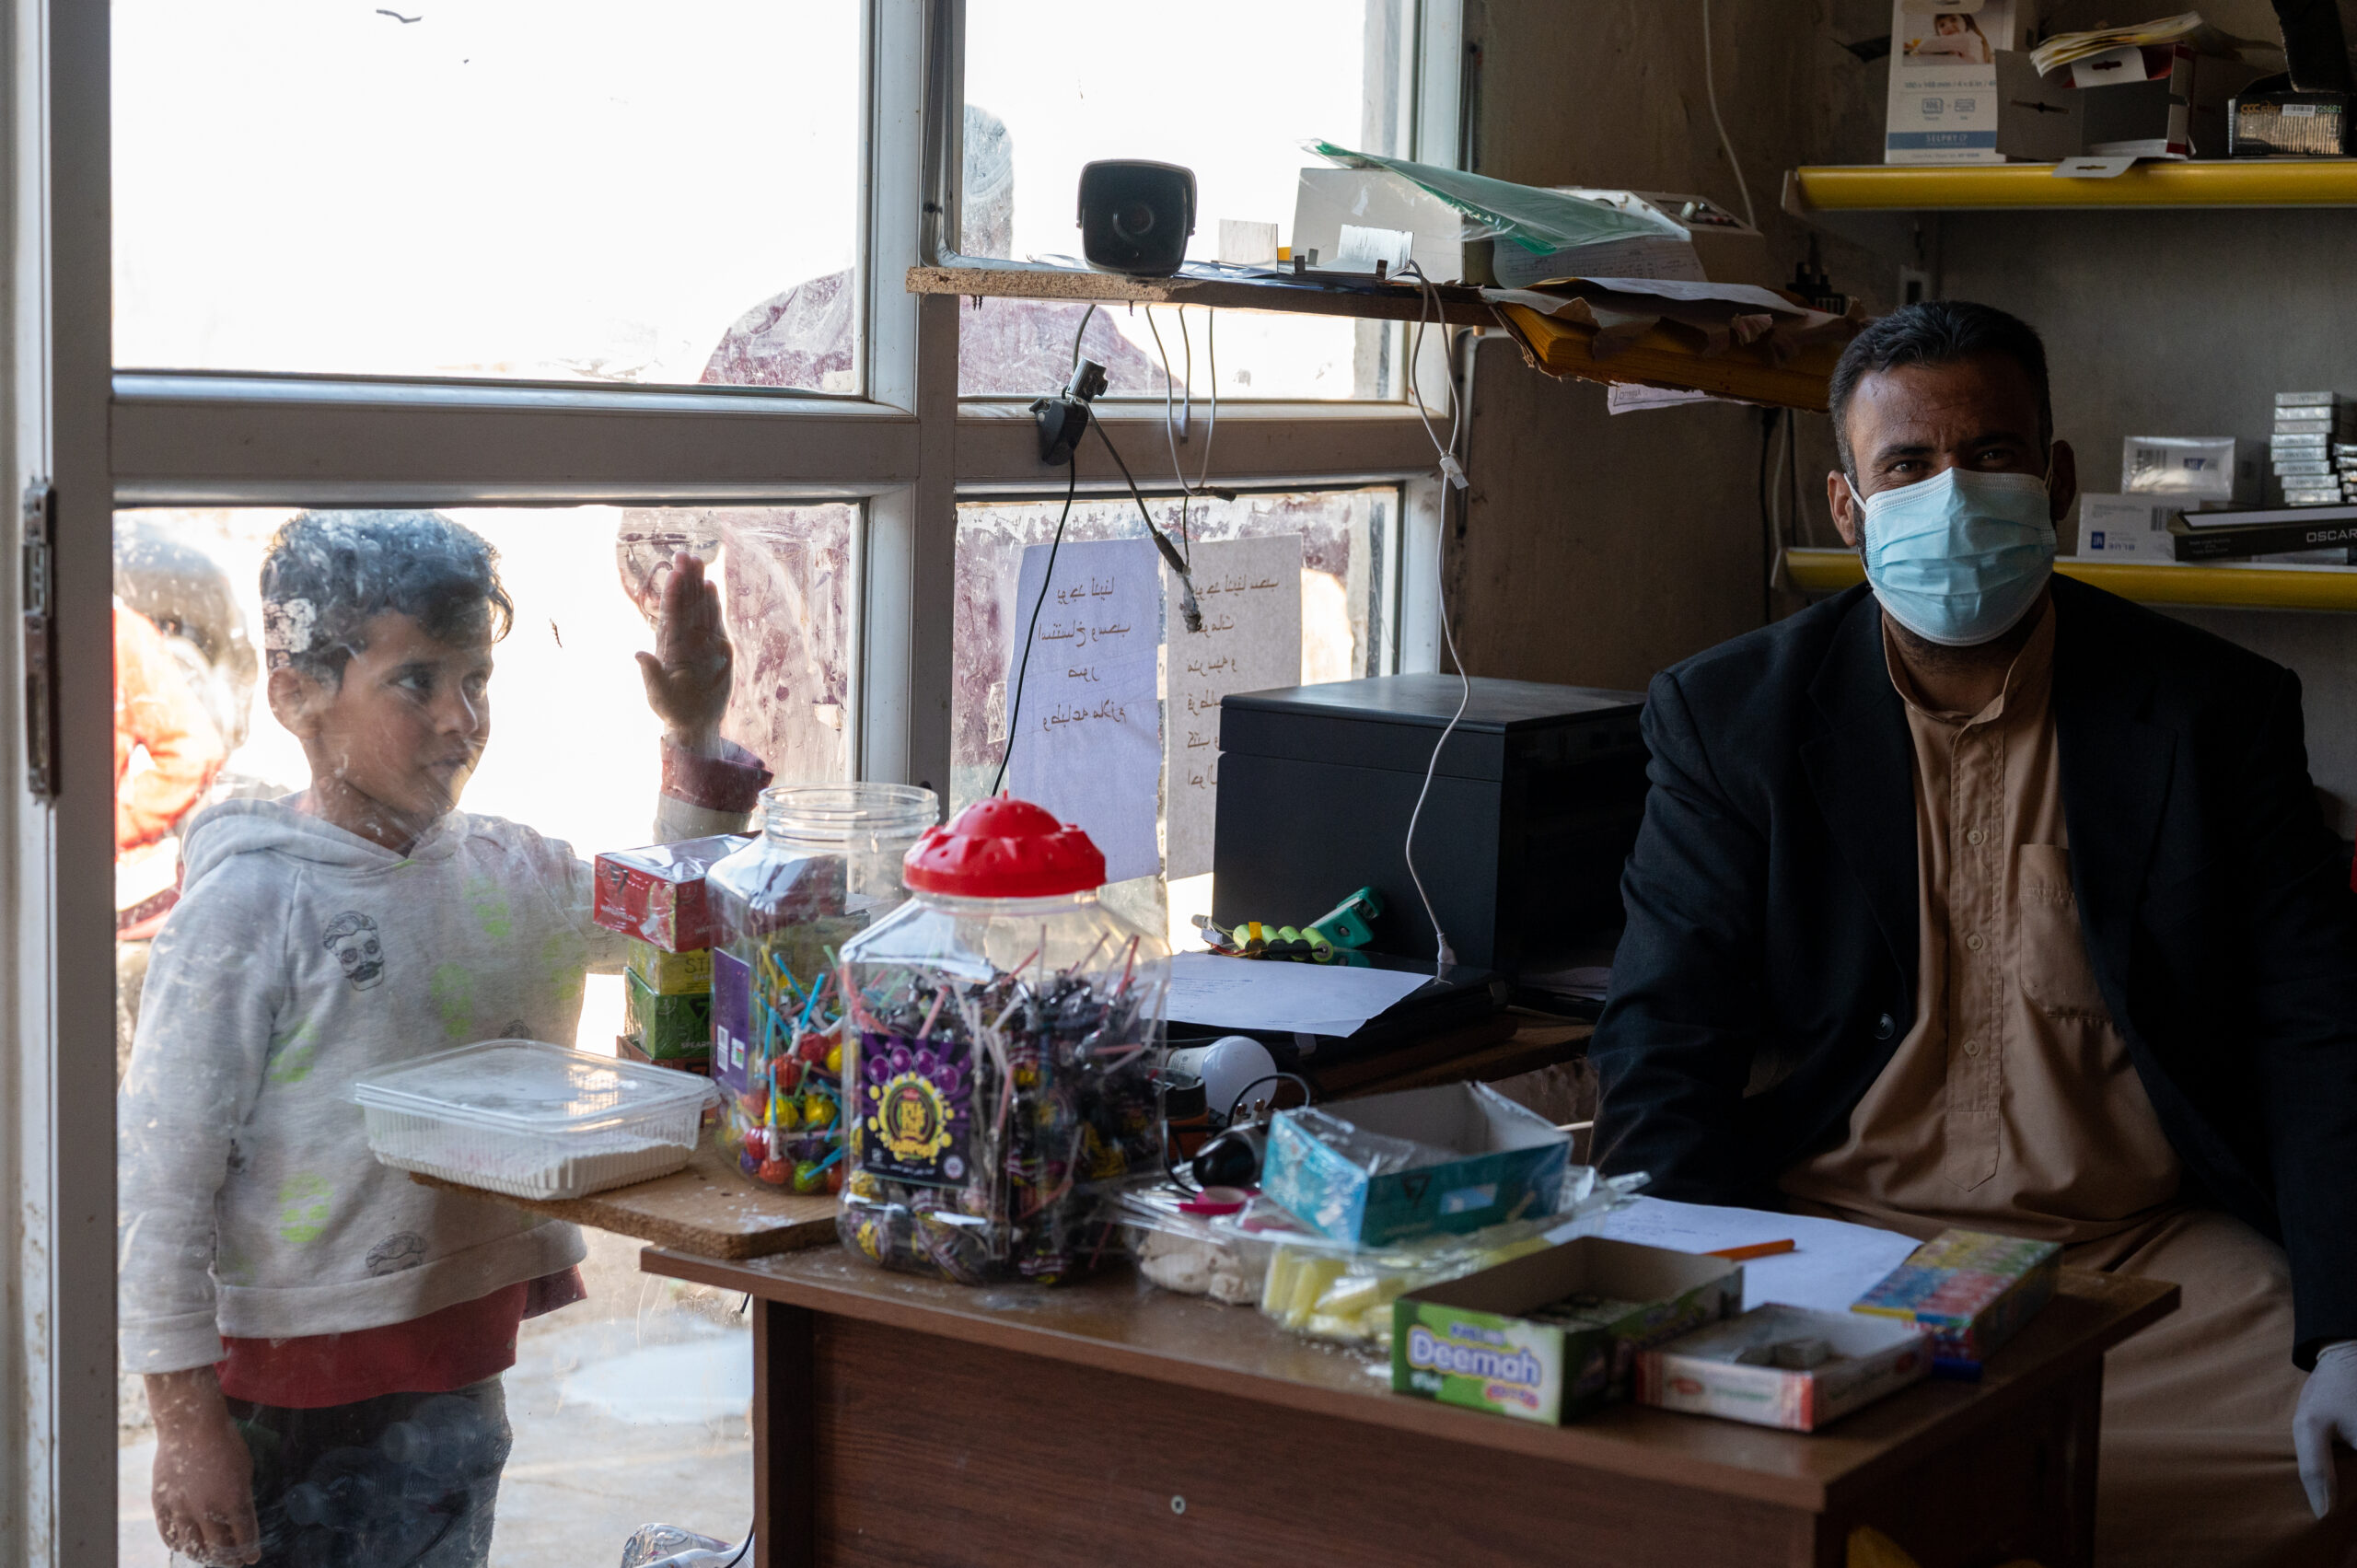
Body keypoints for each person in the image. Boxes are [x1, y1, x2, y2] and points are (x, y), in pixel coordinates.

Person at [1592, 302, 2357, 1567]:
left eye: (1992, 456)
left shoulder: (2213, 712)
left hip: (2136, 1267)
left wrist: (2347, 1327)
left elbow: (2317, 1024)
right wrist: (1680, 1294)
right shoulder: (1731, 719)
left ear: (2053, 480)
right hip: (1833, 1252)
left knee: (2328, 1447)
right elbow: (1661, 1031)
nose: (1955, 495)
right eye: (1908, 465)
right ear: (1849, 508)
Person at [119, 511, 770, 1567]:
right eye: (415, 682)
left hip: (459, 1356)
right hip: (289, 1388)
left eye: (478, 679)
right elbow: (158, 1177)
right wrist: (187, 1419)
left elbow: (671, 911)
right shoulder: (251, 906)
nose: (461, 718)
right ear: (298, 695)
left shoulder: (510, 873)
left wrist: (694, 735)